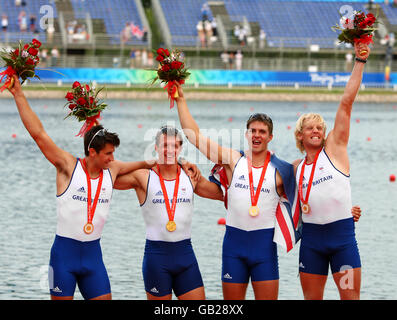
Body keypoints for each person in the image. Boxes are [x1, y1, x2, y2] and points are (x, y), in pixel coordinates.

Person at [7, 75, 159, 300]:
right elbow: (39, 135)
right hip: (63, 258)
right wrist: (18, 94)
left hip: (93, 258)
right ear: (92, 152)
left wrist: (159, 163)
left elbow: (143, 163)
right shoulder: (68, 166)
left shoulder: (112, 168)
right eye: (108, 153)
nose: (112, 157)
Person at [173, 83, 301, 300]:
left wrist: (347, 213)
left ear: (270, 137)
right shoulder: (234, 160)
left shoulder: (282, 171)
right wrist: (180, 99)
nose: (257, 136)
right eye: (253, 131)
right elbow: (195, 138)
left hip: (264, 251)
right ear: (247, 134)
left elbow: (312, 194)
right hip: (234, 247)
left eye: (262, 132)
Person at [293, 42, 370, 300]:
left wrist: (359, 61)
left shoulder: (334, 149)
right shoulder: (295, 168)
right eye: (310, 128)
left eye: (320, 128)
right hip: (311, 243)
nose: (316, 131)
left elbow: (346, 102)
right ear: (300, 135)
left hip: (342, 242)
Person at [114, 125, 224, 300]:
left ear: (180, 148)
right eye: (165, 145)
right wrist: (147, 162)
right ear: (156, 148)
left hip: (186, 256)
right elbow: (110, 173)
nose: (170, 150)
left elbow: (223, 194)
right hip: (157, 258)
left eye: (174, 146)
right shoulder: (143, 177)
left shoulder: (191, 176)